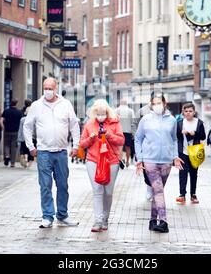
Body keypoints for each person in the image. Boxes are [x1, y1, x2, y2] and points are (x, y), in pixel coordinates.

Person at [23, 78, 81, 228]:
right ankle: (47, 216)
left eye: (50, 88)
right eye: (45, 88)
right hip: (43, 152)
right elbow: (27, 127)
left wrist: (76, 146)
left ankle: (62, 215)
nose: (47, 91)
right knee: (45, 185)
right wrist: (30, 146)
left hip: (61, 152)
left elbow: (74, 125)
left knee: (62, 185)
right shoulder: (36, 106)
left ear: (56, 89)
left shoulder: (65, 104)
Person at [135, 94, 183, 233]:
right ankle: (164, 221)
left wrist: (175, 156)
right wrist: (140, 158)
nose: (157, 105)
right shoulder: (145, 119)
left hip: (166, 161)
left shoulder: (172, 120)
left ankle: (152, 220)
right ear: (151, 104)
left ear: (164, 103)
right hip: (150, 160)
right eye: (154, 103)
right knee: (158, 190)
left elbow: (174, 139)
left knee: (158, 192)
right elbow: (138, 139)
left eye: (159, 102)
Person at [80, 99, 125, 232]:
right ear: (94, 113)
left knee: (108, 192)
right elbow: (82, 144)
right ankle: (98, 220)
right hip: (93, 160)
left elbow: (121, 140)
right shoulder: (89, 124)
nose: (100, 116)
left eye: (103, 113)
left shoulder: (115, 122)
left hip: (111, 160)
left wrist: (110, 135)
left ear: (107, 112)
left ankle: (105, 218)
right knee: (97, 190)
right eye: (98, 113)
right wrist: (91, 138)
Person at [176, 102, 206, 205]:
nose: (188, 113)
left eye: (190, 111)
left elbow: (203, 136)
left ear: (194, 112)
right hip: (183, 152)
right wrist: (181, 133)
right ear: (183, 112)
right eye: (186, 111)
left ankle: (193, 194)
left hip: (195, 151)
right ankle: (182, 194)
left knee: (194, 173)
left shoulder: (199, 122)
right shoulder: (179, 123)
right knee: (182, 173)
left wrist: (195, 133)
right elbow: (176, 137)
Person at [1, 99, 23, 167]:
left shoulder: (6, 111)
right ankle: (12, 163)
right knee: (14, 147)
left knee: (6, 145)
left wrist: (3, 127)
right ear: (16, 104)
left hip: (7, 130)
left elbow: (1, 120)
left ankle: (7, 156)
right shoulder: (19, 112)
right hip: (15, 131)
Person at [115, 97, 135, 166]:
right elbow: (133, 122)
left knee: (119, 146)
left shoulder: (116, 110)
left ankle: (119, 160)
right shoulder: (131, 111)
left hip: (118, 131)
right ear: (127, 103)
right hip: (128, 131)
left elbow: (114, 121)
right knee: (128, 147)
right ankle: (127, 161)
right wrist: (133, 132)